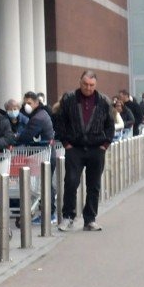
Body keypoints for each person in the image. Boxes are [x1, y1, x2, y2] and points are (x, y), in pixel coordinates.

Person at [53, 70, 114, 232]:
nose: (88, 88)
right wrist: (66, 143)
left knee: (94, 184)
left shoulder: (103, 101)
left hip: (96, 148)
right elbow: (59, 121)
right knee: (71, 182)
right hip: (74, 148)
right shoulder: (69, 99)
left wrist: (105, 144)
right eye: (85, 84)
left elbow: (110, 124)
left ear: (96, 84)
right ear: (80, 82)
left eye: (91, 85)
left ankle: (90, 219)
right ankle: (68, 216)